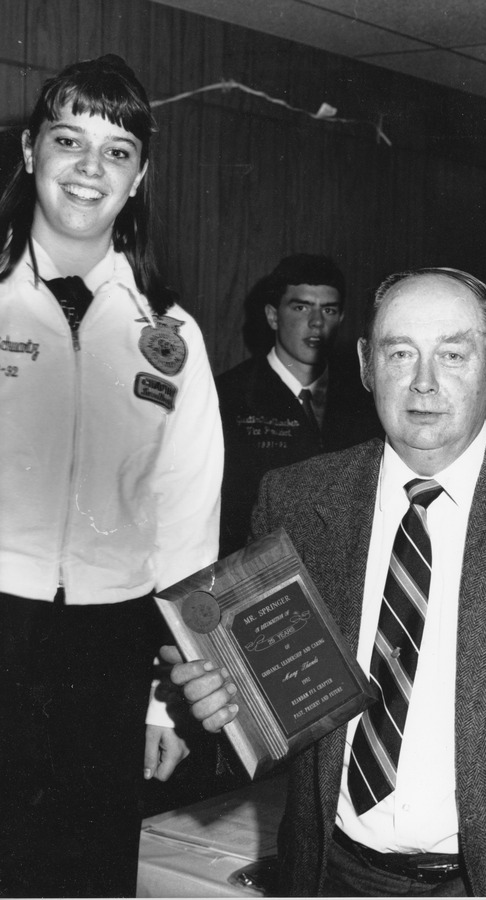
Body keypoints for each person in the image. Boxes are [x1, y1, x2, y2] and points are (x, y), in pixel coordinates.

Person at [166, 267, 486, 897]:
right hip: (330, 872)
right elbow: (264, 717)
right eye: (400, 353)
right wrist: (219, 710)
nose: (423, 381)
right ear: (367, 365)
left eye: (453, 354)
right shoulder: (298, 500)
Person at [0, 55, 223, 897]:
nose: (90, 168)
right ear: (30, 150)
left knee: (84, 876)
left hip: (110, 651)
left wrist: (167, 697)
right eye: (69, 140)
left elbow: (188, 530)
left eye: (118, 150)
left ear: (140, 177)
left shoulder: (173, 335)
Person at [216, 253, 382, 556]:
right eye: (301, 307)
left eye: (328, 310)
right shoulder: (227, 397)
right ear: (273, 316)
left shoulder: (366, 398)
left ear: (341, 318)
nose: (316, 322)